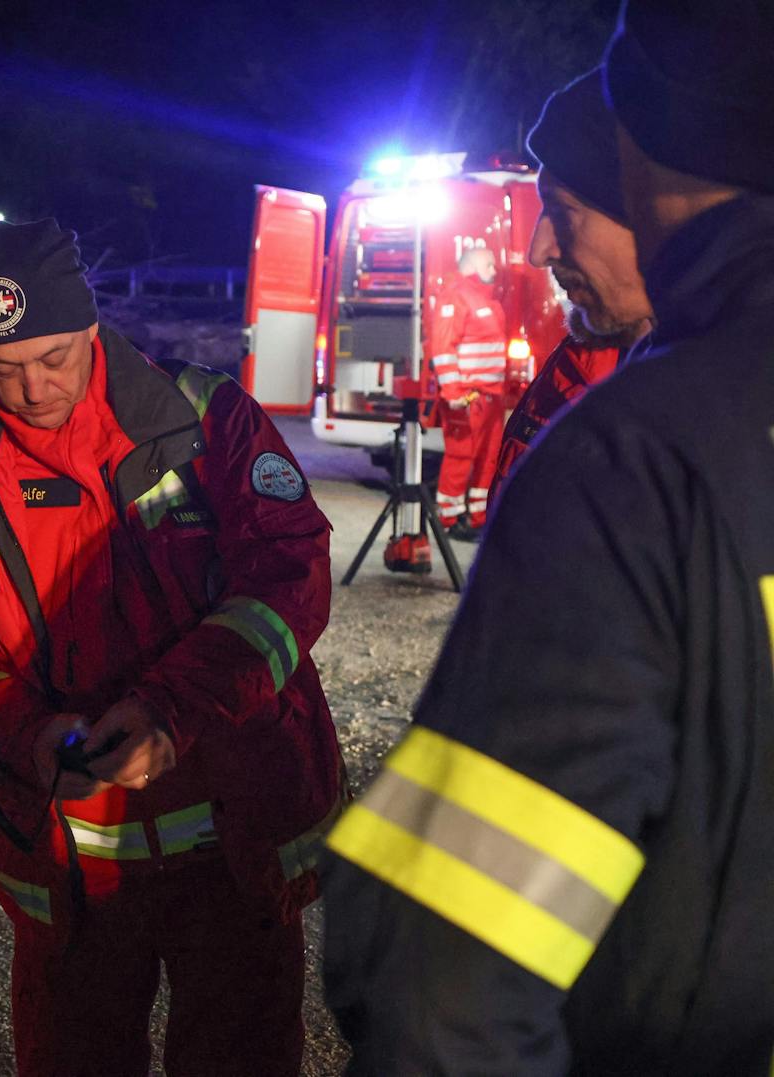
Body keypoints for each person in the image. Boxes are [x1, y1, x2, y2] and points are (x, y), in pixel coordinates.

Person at [322, 1, 774, 1070]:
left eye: (563, 203)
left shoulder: (640, 461)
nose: (532, 244)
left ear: (648, 175)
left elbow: (437, 991)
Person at [0, 218, 344, 1075]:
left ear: (91, 329)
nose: (33, 389)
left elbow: (288, 578)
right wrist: (29, 734)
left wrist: (170, 709)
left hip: (234, 848)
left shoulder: (206, 419)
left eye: (52, 359)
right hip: (72, 867)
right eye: (3, 370)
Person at [490, 69, 655, 503]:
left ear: (655, 219)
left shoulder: (740, 404)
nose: (538, 251)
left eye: (563, 213)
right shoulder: (588, 355)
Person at [426, 247, 508, 541]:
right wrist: (453, 391)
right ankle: (449, 518)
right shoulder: (456, 296)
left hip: (490, 397)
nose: (495, 269)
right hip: (468, 397)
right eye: (490, 263)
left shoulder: (485, 299)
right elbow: (443, 348)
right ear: (472, 265)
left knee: (488, 458)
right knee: (461, 456)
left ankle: (476, 516)